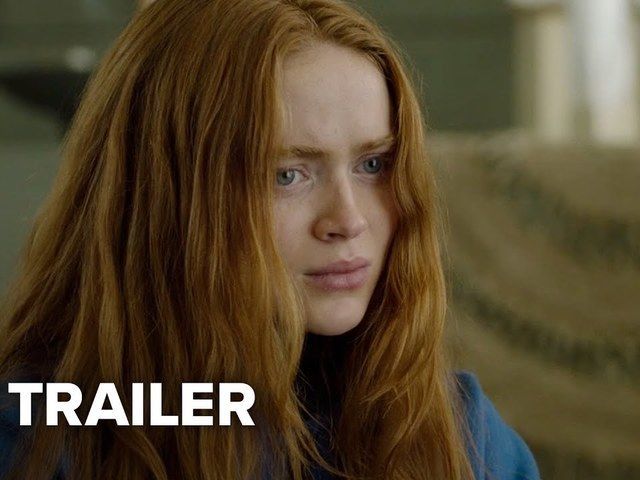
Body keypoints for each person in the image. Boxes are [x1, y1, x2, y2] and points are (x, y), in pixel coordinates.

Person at [0, 0, 541, 479]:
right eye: (288, 175)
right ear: (169, 201)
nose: (348, 220)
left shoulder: (464, 435)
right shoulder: (37, 436)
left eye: (373, 164)